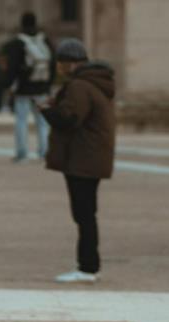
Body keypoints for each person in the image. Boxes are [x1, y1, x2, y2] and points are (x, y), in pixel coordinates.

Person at [38, 39, 115, 284]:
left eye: (60, 63)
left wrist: (47, 110)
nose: (59, 68)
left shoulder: (79, 86)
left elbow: (69, 119)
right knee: (86, 213)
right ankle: (89, 265)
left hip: (83, 157)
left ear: (69, 64)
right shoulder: (94, 84)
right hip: (91, 155)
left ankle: (88, 267)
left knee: (83, 214)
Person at [5, 12, 54, 162]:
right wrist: (48, 84)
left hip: (23, 88)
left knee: (21, 121)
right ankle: (44, 151)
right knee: (43, 122)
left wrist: (8, 84)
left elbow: (12, 67)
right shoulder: (44, 40)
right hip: (42, 86)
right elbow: (52, 64)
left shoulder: (18, 42)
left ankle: (22, 152)